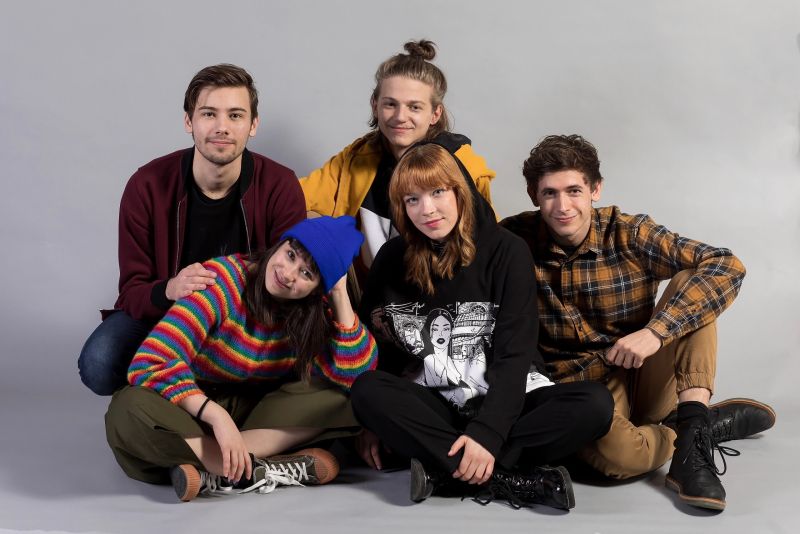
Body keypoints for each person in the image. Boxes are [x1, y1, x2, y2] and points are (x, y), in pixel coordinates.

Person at [500, 134, 776, 511]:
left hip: (644, 372)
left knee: (692, 287)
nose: (563, 206)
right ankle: (695, 427)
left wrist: (655, 333)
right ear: (534, 195)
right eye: (550, 193)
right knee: (619, 461)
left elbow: (726, 266)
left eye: (574, 191)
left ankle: (691, 448)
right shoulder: (513, 240)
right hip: (581, 396)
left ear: (595, 190)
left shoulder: (628, 232)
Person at [349, 142, 614, 511]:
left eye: (438, 192)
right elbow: (377, 347)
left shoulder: (506, 250)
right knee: (367, 390)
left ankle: (445, 471)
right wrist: (372, 422)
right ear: (401, 207)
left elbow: (515, 353)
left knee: (595, 405)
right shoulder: (391, 259)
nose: (427, 209)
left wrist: (488, 432)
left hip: (508, 402)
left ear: (459, 192)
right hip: (436, 403)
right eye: (412, 199)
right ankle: (507, 479)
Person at [105, 216, 377, 502]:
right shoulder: (219, 281)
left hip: (253, 416)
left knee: (344, 393)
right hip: (190, 409)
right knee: (127, 408)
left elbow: (358, 374)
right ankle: (248, 468)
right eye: (290, 254)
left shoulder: (311, 312)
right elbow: (152, 360)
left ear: (318, 289)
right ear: (280, 244)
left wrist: (339, 293)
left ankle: (218, 469)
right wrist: (216, 416)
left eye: (307, 274)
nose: (288, 274)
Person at [79, 64, 306, 395]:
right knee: (99, 362)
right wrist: (171, 288)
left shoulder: (280, 185)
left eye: (235, 115)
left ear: (253, 125)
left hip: (247, 320)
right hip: (166, 314)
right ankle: (167, 384)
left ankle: (184, 385)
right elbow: (131, 292)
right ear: (189, 121)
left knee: (298, 362)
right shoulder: (147, 185)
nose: (222, 127)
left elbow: (287, 285)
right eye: (209, 114)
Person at [300, 39, 495, 287]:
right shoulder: (358, 157)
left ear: (435, 114)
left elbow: (490, 246)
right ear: (375, 106)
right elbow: (294, 199)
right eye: (390, 104)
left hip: (446, 294)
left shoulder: (461, 164)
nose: (400, 117)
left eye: (414, 107)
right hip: (374, 296)